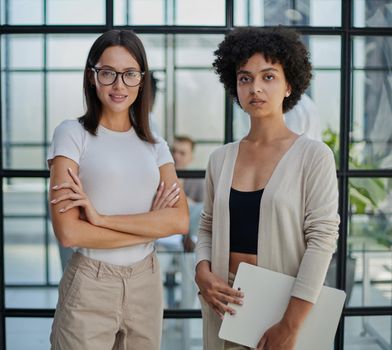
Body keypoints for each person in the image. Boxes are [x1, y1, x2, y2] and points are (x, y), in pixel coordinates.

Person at [195, 26, 340, 350]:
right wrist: (201, 271)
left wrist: (289, 325)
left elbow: (322, 240)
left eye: (268, 77)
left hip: (285, 306)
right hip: (225, 304)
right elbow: (207, 226)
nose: (255, 88)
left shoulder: (314, 156)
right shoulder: (221, 158)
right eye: (245, 78)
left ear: (289, 84)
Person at [48, 29, 189, 350]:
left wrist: (98, 218)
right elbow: (69, 232)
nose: (118, 85)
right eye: (108, 73)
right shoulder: (72, 135)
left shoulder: (155, 145)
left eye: (129, 74)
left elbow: (179, 221)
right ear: (92, 76)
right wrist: (151, 225)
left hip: (146, 281)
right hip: (90, 283)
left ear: (142, 79)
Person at [172, 135, 204, 251]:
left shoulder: (198, 180)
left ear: (191, 157)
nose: (176, 156)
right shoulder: (160, 177)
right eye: (174, 151)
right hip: (166, 237)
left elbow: (204, 211)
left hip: (189, 237)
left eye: (182, 153)